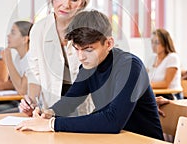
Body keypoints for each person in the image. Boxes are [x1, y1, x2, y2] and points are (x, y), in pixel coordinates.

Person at [16, 10, 164, 140]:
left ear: (109, 43)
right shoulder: (88, 67)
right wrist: (46, 113)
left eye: (88, 49)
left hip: (143, 140)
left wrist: (51, 124)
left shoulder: (130, 66)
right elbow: (69, 102)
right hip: (113, 139)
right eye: (77, 49)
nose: (81, 57)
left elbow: (112, 121)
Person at [23, 0, 93, 115]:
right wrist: (32, 101)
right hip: (51, 109)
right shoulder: (39, 29)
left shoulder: (92, 27)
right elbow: (35, 72)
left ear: (82, 3)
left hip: (86, 109)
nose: (66, 5)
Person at [0, 21, 33, 113]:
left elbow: (22, 90)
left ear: (25, 39)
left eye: (13, 33)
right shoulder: (19, 57)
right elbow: (13, 82)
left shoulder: (32, 58)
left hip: (31, 108)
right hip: (22, 104)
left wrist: (8, 62)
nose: (8, 36)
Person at [147, 29, 183, 99]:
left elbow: (166, 84)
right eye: (152, 42)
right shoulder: (152, 58)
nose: (153, 45)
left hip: (171, 96)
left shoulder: (172, 58)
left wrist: (144, 86)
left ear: (165, 43)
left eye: (157, 43)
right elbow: (145, 78)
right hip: (157, 95)